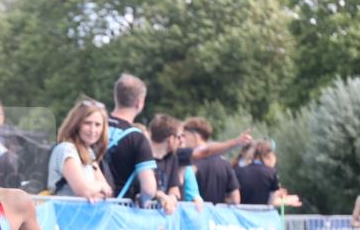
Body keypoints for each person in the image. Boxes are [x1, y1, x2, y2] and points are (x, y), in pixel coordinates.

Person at [104, 74, 175, 213]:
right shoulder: (137, 138)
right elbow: (149, 188)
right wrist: (143, 200)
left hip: (85, 208)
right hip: (119, 212)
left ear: (115, 97)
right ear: (139, 103)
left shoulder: (94, 126)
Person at [46, 99, 112, 202]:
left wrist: (97, 190)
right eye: (87, 123)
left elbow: (107, 191)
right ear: (76, 124)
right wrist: (99, 186)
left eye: (97, 124)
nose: (92, 130)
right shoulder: (67, 149)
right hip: (64, 211)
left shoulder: (89, 152)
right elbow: (84, 191)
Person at [182, 117, 241, 205]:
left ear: (195, 136)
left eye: (184, 136)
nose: (182, 140)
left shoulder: (189, 162)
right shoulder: (225, 163)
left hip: (194, 211)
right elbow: (235, 199)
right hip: (217, 213)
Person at [233, 140, 302, 208]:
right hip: (262, 214)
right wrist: (289, 200)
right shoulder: (271, 173)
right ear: (269, 155)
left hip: (240, 214)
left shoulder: (238, 171)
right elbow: (271, 202)